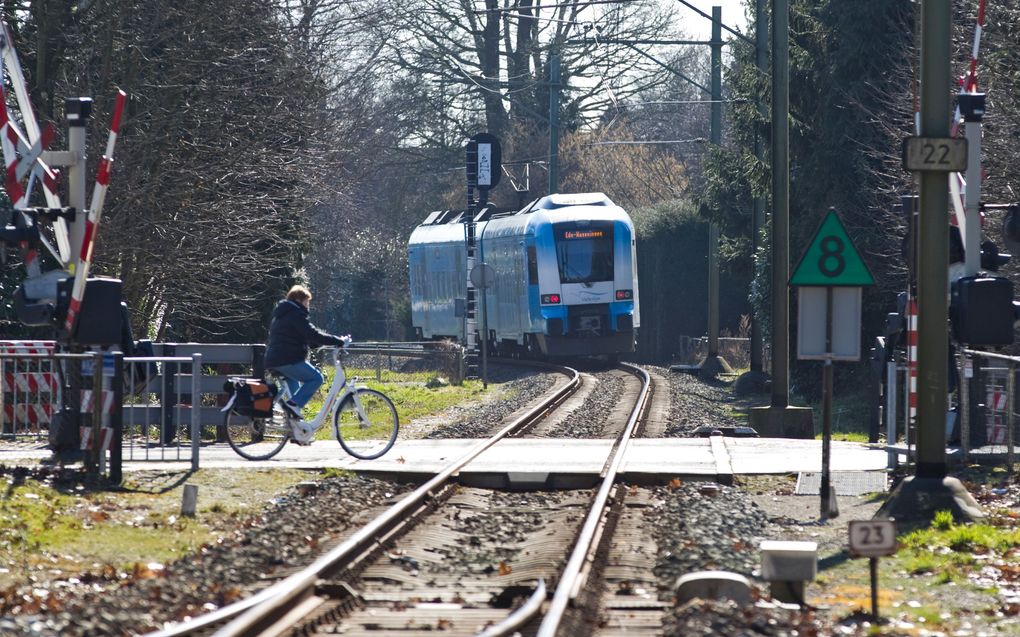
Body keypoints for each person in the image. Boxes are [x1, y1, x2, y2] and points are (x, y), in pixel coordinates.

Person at [264, 285, 346, 420]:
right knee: (316, 378)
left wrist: (318, 343)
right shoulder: (295, 314)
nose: (308, 305)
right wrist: (338, 341)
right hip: (287, 360)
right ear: (298, 300)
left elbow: (302, 337)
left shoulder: (282, 314)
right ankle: (292, 407)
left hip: (276, 359)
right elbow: (312, 334)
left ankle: (293, 425)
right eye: (307, 302)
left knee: (295, 391)